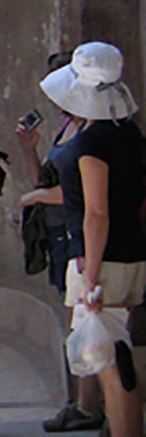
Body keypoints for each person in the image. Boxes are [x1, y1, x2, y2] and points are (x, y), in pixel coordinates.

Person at [40, 41, 144, 437]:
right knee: (121, 361)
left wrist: (92, 278)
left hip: (103, 261)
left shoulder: (91, 143)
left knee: (110, 367)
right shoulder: (130, 134)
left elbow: (96, 213)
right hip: (132, 255)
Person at [16, 51, 107, 433]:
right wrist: (28, 149)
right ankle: (86, 402)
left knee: (92, 329)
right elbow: (46, 181)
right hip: (58, 234)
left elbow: (82, 196)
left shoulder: (95, 134)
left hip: (79, 237)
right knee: (77, 326)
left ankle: (94, 406)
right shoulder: (68, 128)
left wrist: (38, 199)